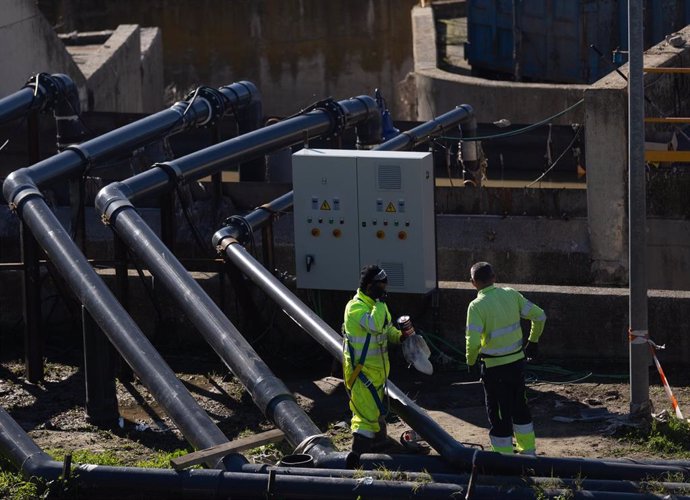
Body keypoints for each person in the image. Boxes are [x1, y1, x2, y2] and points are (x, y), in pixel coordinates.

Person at [465, 261, 546, 455]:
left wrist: (470, 361)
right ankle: (528, 453)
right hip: (517, 365)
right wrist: (533, 341)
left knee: (499, 414)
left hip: (494, 369)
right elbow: (540, 316)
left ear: (473, 282)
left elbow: (473, 341)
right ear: (494, 278)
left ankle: (504, 459)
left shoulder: (476, 306)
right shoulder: (511, 295)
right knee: (520, 407)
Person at [342, 264, 415, 460]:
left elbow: (386, 329)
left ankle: (378, 447)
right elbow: (374, 326)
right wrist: (380, 303)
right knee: (364, 420)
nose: (385, 290)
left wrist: (401, 336)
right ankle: (357, 458)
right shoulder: (356, 307)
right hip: (362, 374)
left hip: (378, 373)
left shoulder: (377, 305)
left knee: (374, 413)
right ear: (369, 287)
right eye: (381, 286)